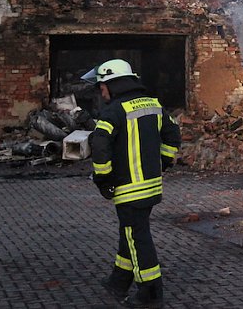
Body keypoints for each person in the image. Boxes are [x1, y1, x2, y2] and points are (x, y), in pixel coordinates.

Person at [83, 59, 181, 308]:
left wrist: (103, 179)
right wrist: (164, 161)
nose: (101, 91)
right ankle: (119, 280)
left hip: (128, 188)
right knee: (129, 233)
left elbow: (100, 145)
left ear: (113, 84)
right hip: (151, 185)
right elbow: (173, 134)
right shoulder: (153, 104)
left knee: (138, 237)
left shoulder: (114, 110)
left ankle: (150, 292)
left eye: (102, 86)